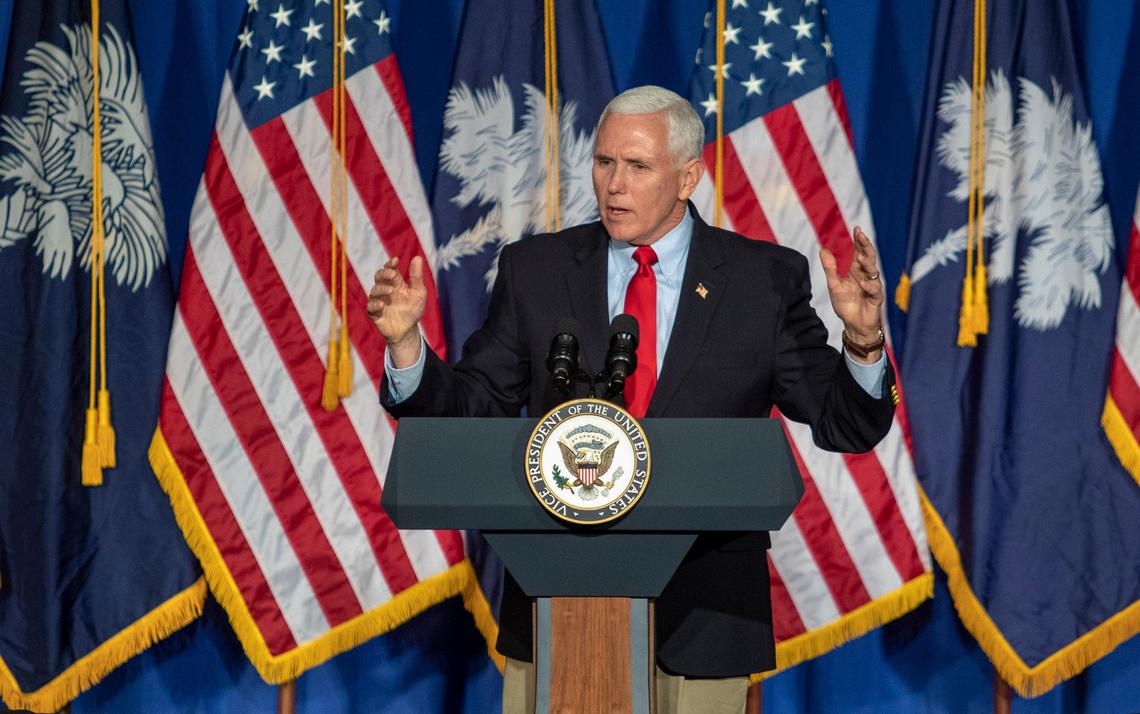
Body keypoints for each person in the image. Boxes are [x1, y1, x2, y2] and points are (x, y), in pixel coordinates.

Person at [369, 85, 895, 714]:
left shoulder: (762, 280)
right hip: (555, 605)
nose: (614, 184)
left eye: (638, 166)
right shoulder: (536, 270)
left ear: (688, 176)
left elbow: (844, 423)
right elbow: (474, 406)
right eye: (604, 162)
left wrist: (863, 343)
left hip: (703, 617)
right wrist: (406, 348)